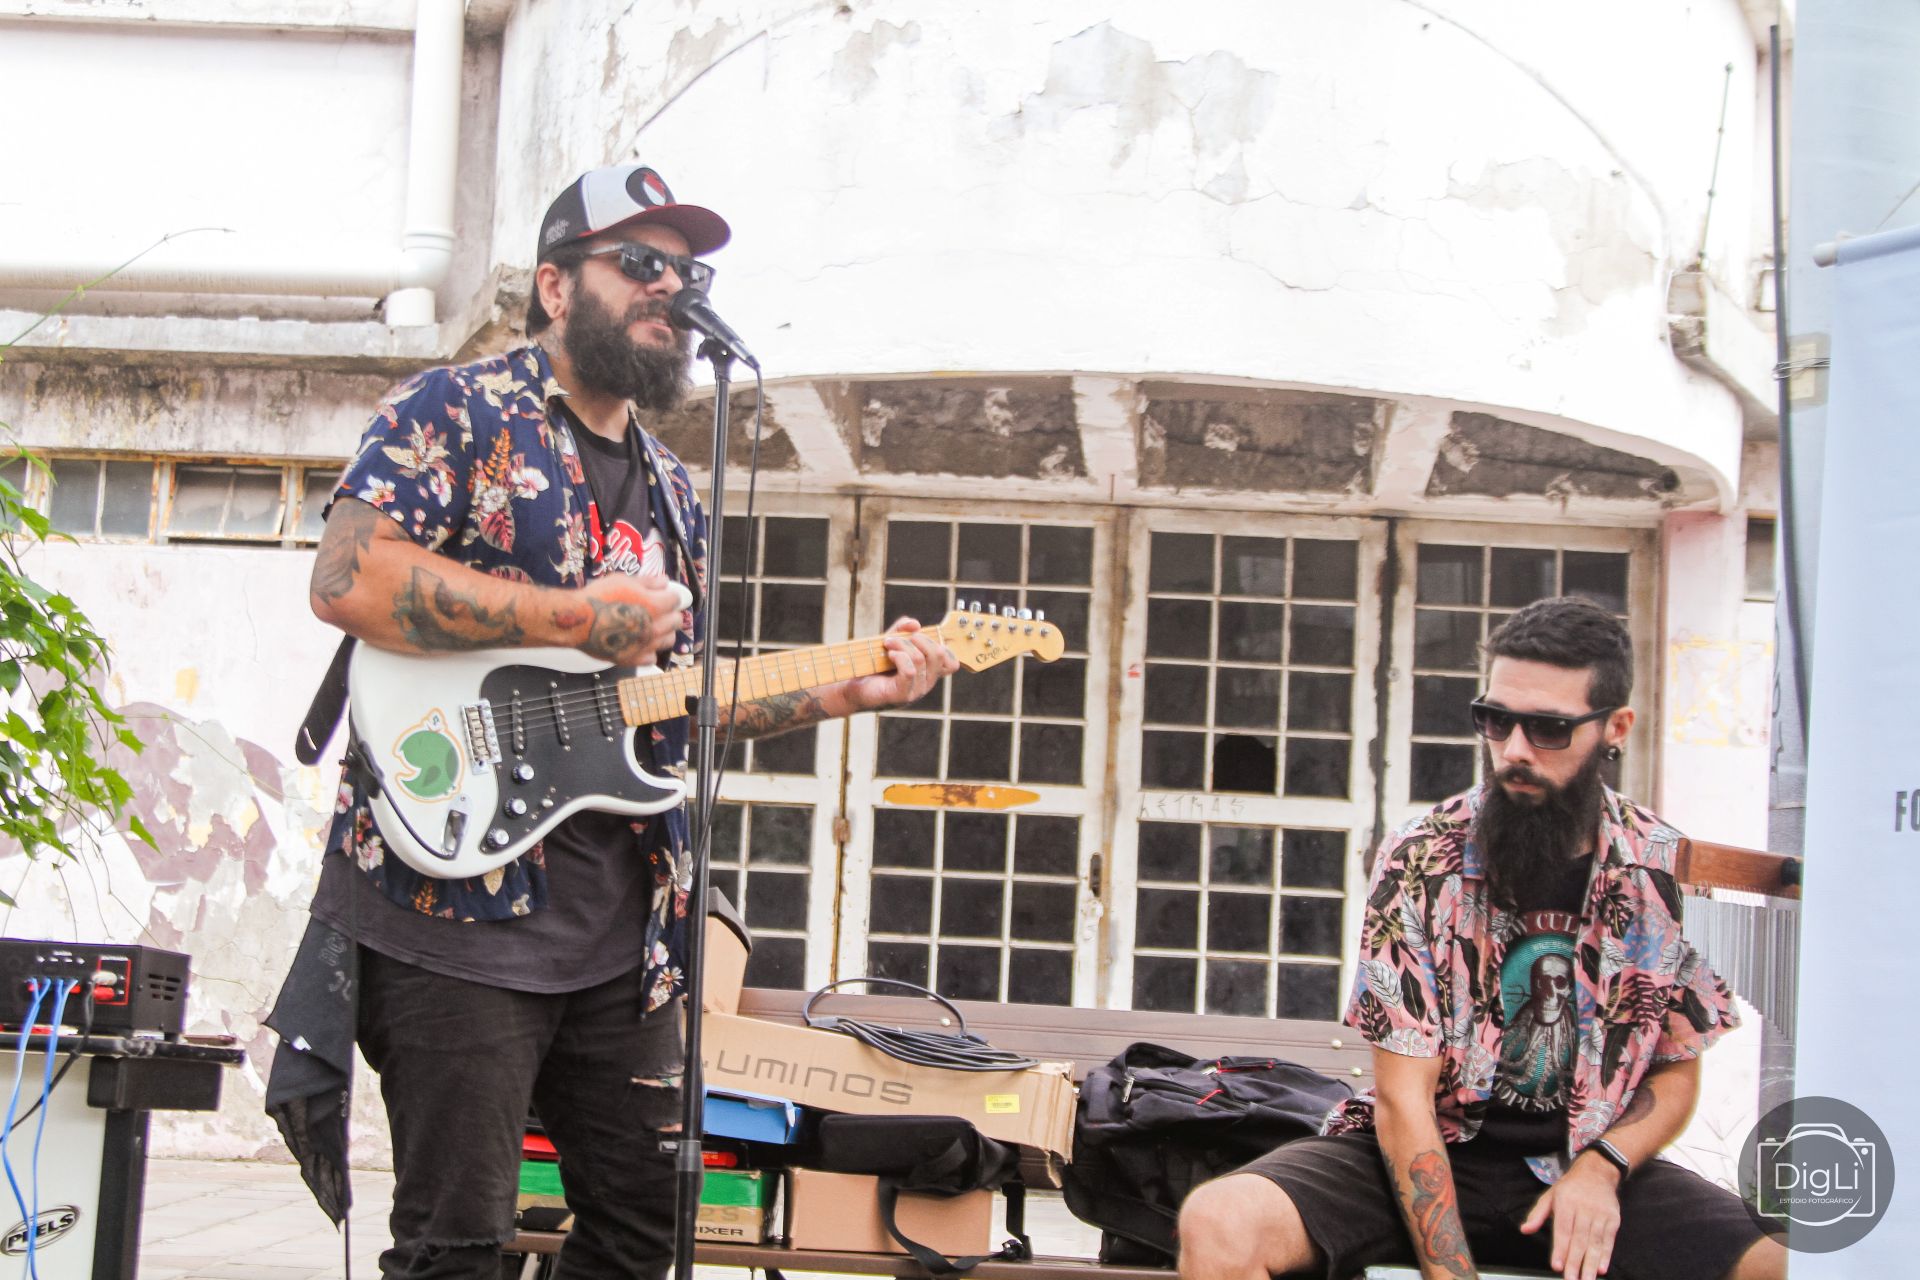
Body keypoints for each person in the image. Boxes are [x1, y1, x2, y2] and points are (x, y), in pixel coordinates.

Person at [289, 163, 958, 1280]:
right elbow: (347, 579)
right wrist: (573, 618)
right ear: (556, 286)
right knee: (456, 1243)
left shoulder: (675, 489)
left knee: (650, 1229)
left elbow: (670, 698)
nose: (670, 288)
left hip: (621, 931)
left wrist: (850, 687)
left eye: (685, 270)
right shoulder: (454, 411)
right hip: (454, 904)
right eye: (637, 263)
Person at [1177, 596, 1787, 1280]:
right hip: (1422, 1155)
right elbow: (1404, 1099)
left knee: (1787, 1267)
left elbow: (1675, 1067)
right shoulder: (1421, 857)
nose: (1515, 751)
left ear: (1615, 727)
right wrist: (1449, 1269)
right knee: (1219, 1222)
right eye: (1495, 721)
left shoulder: (1659, 869)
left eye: (1549, 728)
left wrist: (1604, 1165)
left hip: (1582, 1164)